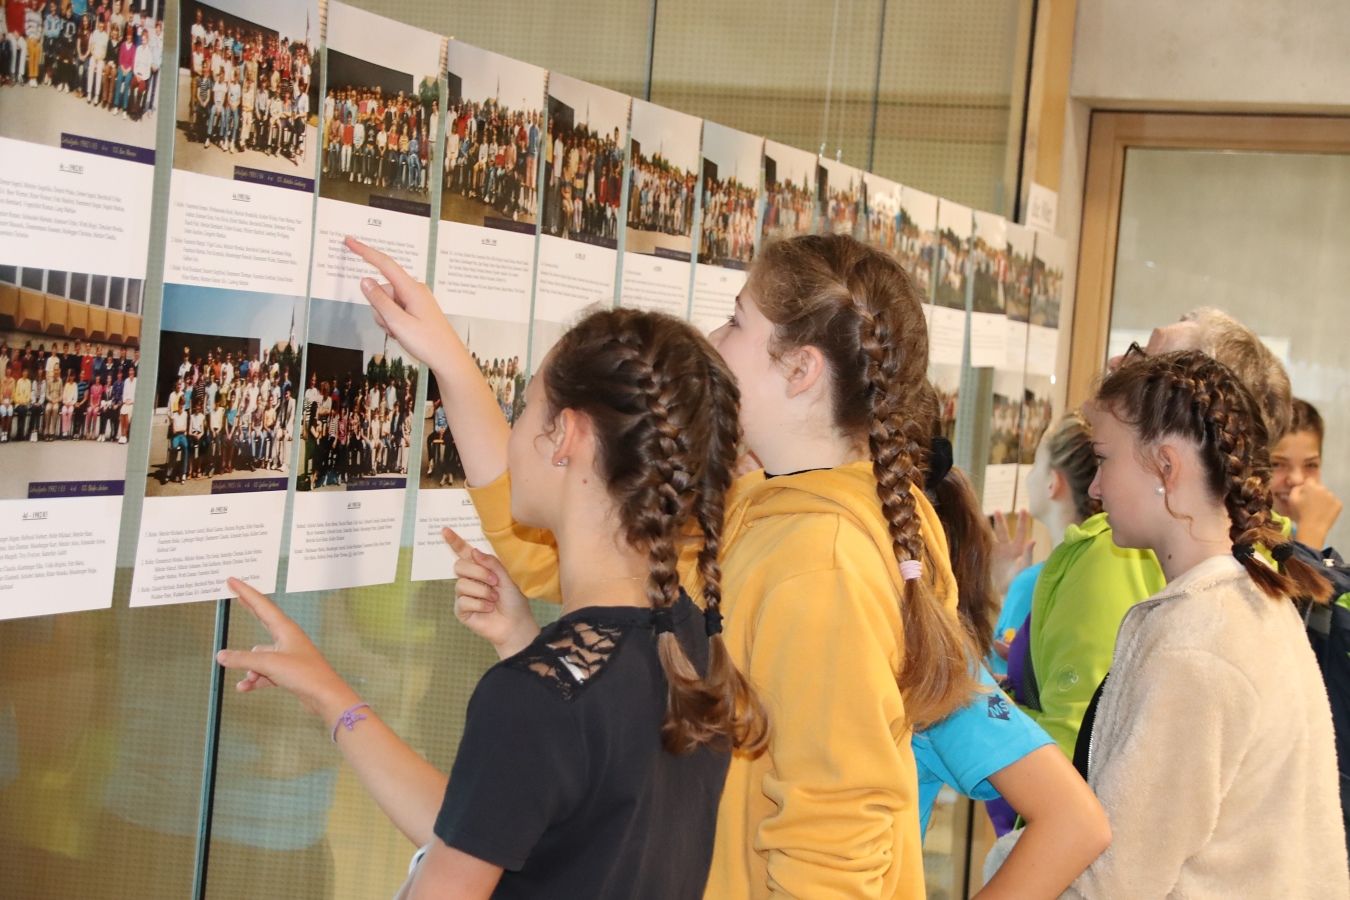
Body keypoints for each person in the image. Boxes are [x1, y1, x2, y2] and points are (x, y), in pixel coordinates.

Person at [353, 232, 1003, 897]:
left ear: (800, 370)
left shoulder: (823, 563)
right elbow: (583, 550)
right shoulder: (770, 507)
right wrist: (451, 363)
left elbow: (832, 848)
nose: (714, 338)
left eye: (737, 320)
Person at [217, 306, 766, 898]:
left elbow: (460, 865)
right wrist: (330, 695)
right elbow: (487, 831)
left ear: (565, 436)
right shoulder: (688, 639)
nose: (514, 435)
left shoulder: (540, 696)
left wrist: (533, 662)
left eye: (524, 408)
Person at [1061, 348, 1346, 896]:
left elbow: (1115, 880)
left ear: (1166, 468)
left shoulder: (1199, 645)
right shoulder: (1247, 597)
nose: (1095, 488)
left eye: (1103, 460)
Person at [1271, 398, 1341, 550]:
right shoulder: (1239, 543)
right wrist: (1312, 531)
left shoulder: (1296, 534)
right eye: (1277, 464)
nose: (1297, 479)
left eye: (1310, 465)